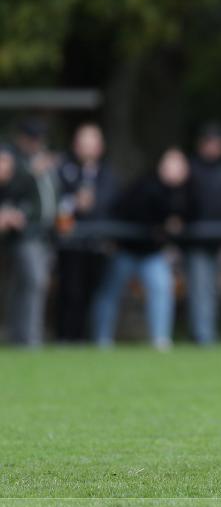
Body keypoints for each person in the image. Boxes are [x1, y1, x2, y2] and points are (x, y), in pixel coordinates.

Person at [90, 147, 190, 350]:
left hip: (152, 254)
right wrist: (162, 224)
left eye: (178, 166)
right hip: (126, 249)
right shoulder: (146, 185)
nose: (174, 170)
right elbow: (136, 212)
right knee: (110, 293)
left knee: (162, 288)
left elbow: (187, 216)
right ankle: (101, 339)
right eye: (170, 164)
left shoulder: (185, 192)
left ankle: (160, 339)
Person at [55, 123, 119, 342]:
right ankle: (66, 338)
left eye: (92, 144)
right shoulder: (63, 170)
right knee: (71, 292)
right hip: (71, 244)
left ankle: (93, 339)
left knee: (96, 294)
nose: (88, 149)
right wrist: (74, 203)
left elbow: (112, 205)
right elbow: (58, 204)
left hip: (97, 244)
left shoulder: (107, 174)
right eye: (84, 144)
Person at [3, 119, 57, 347]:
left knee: (28, 285)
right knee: (34, 282)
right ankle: (29, 337)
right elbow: (9, 189)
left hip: (47, 235)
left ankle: (21, 335)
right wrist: (31, 173)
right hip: (25, 235)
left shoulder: (45, 162)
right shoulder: (14, 159)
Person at [185, 122, 221, 345]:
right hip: (196, 241)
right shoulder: (191, 170)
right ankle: (203, 337)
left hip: (219, 241)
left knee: (214, 291)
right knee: (200, 290)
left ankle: (207, 334)